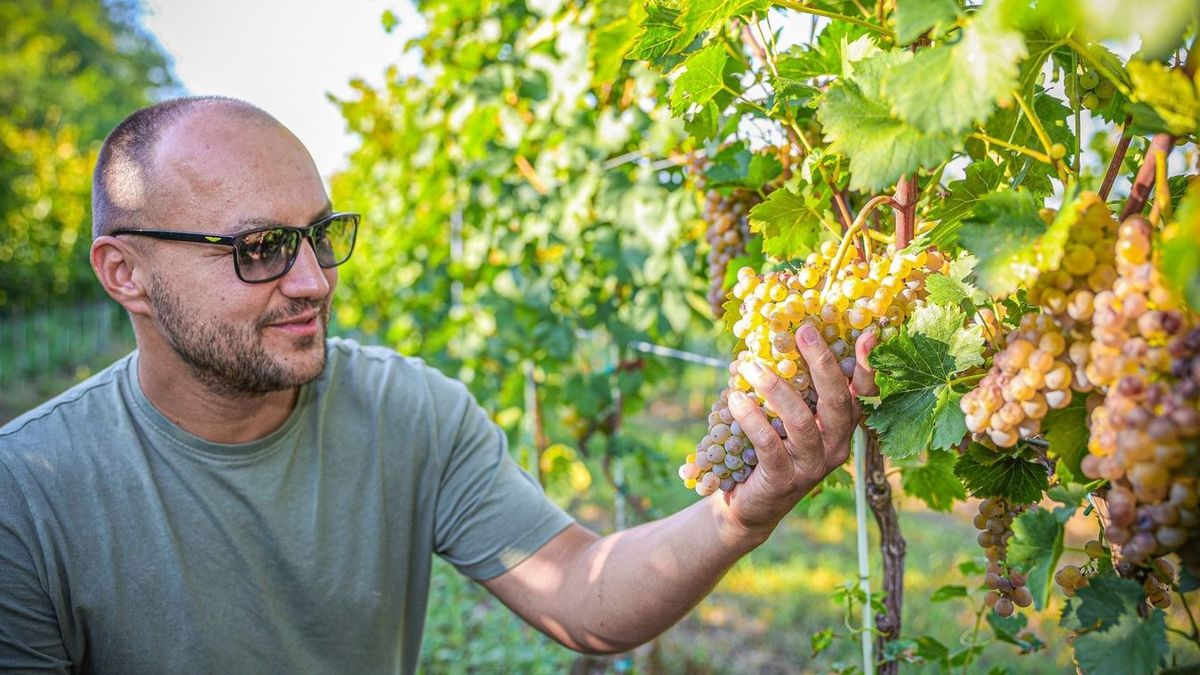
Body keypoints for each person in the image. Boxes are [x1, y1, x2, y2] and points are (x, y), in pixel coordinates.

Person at [0, 96, 879, 673]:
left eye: (319, 233)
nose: (313, 279)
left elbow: (581, 592)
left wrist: (742, 512)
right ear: (125, 274)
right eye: (258, 248)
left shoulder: (408, 411)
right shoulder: (27, 494)